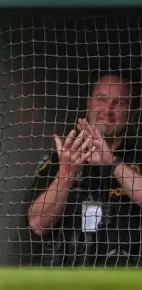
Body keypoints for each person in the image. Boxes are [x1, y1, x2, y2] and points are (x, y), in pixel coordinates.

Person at [26, 74, 142, 267]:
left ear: (132, 111)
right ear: (89, 103)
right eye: (101, 100)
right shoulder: (62, 158)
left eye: (119, 102)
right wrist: (67, 175)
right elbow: (37, 223)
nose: (108, 110)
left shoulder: (137, 158)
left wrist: (112, 162)